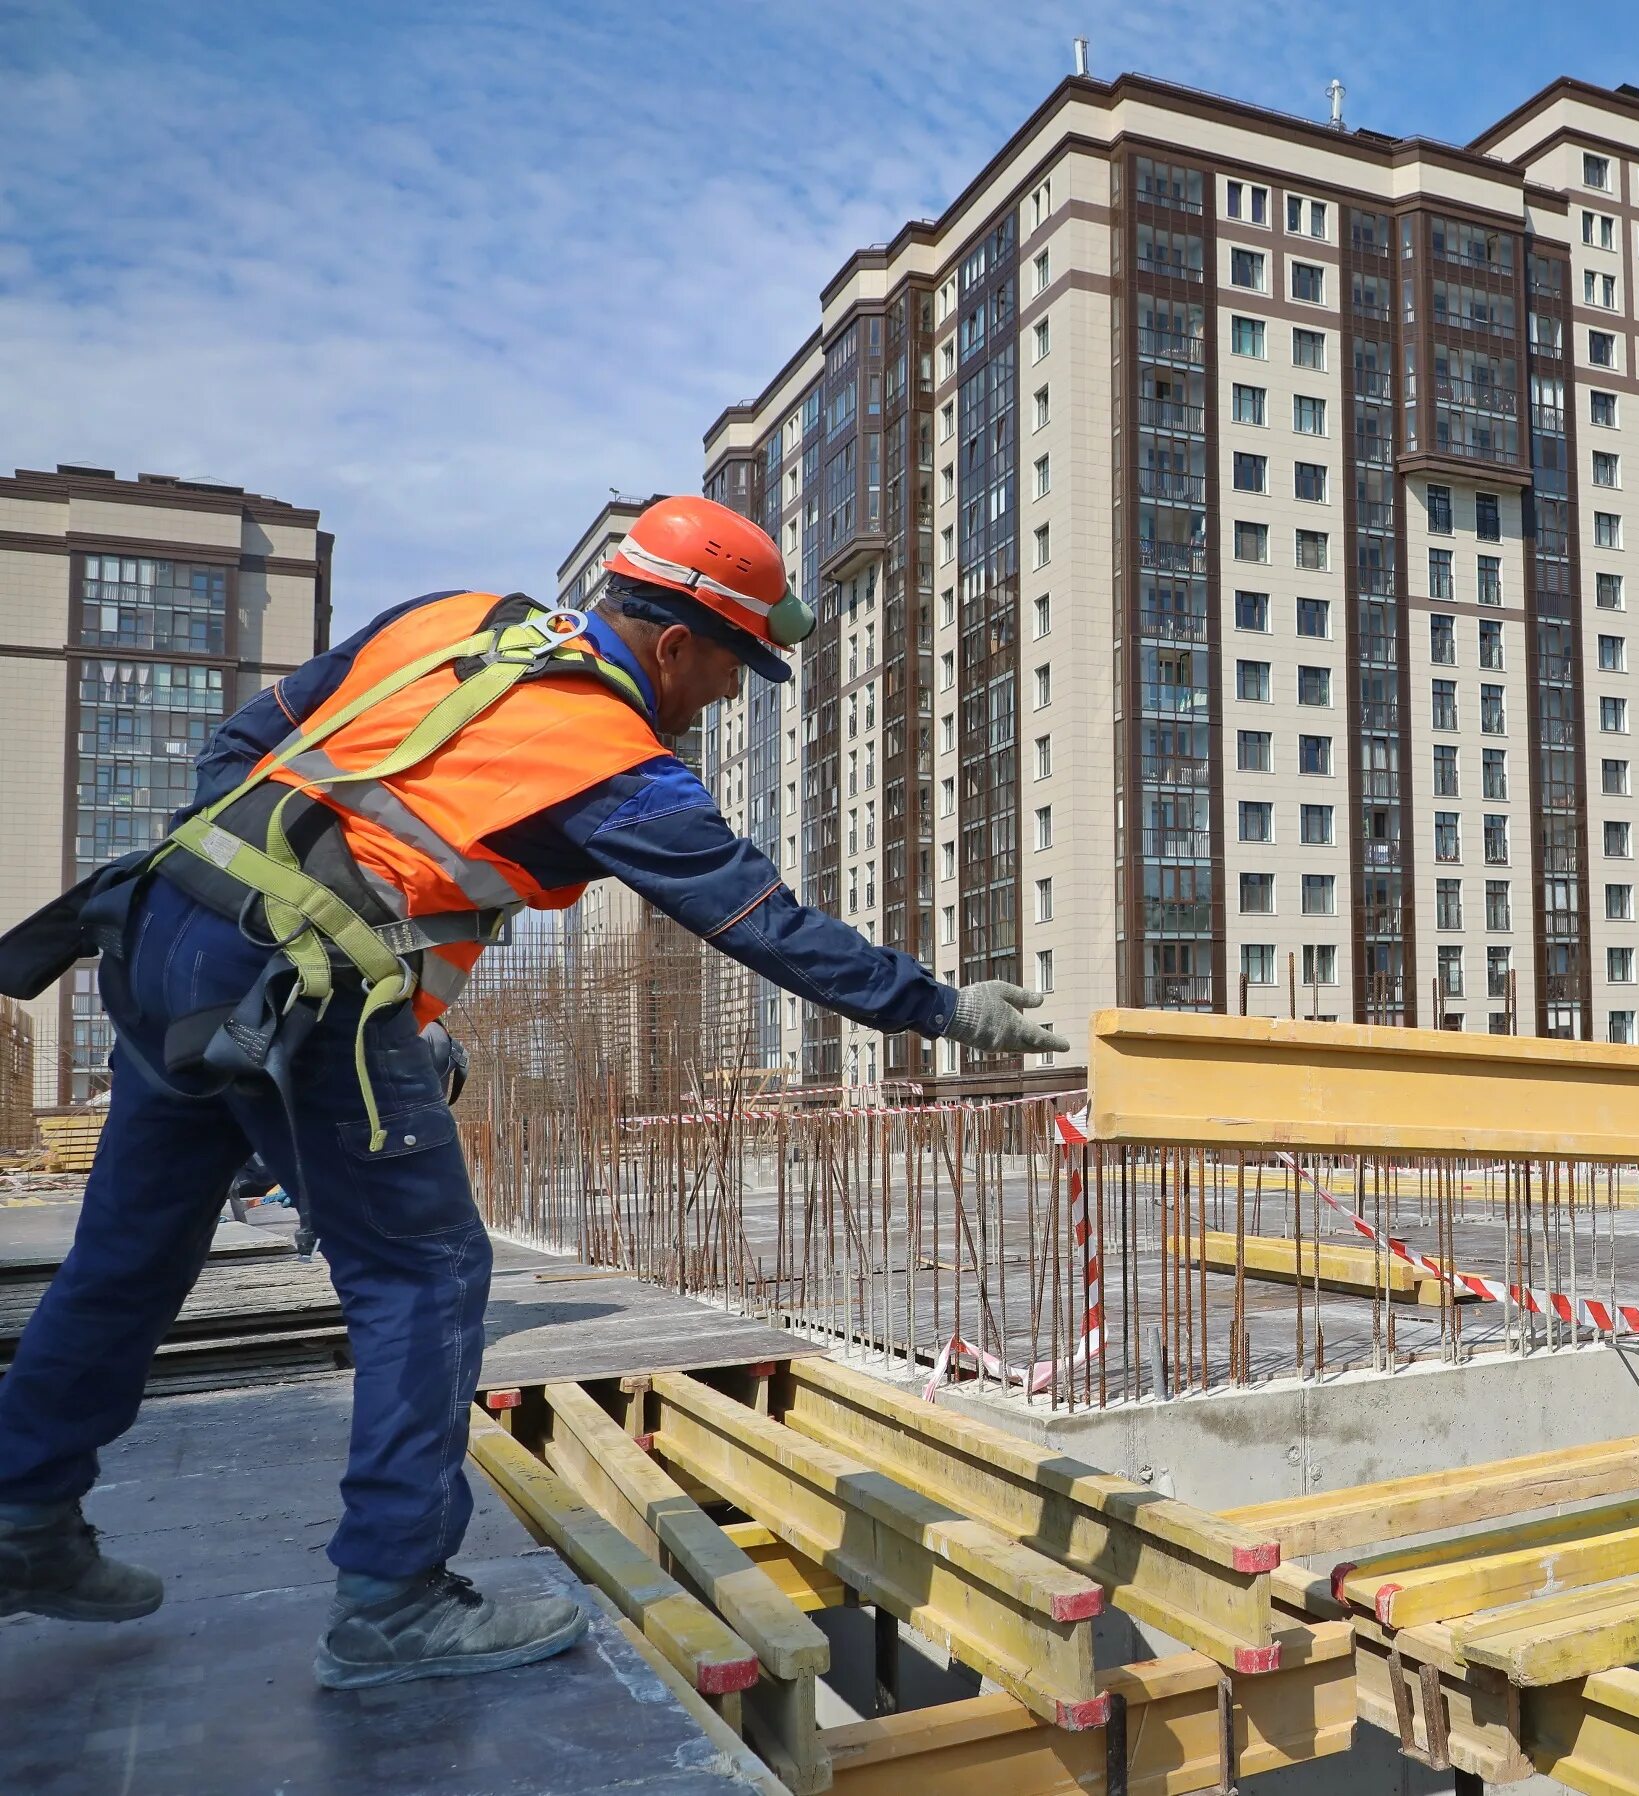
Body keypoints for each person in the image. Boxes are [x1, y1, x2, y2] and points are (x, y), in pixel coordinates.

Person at [0, 495, 1063, 1687]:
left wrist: (288, 932)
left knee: (128, 1252)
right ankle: (393, 1600)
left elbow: (244, 744)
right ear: (673, 644)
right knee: (427, 1270)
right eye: (730, 669)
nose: (724, 698)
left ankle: (22, 1518)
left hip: (162, 932)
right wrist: (942, 1007)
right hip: (298, 990)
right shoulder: (614, 761)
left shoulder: (454, 621)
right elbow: (769, 927)